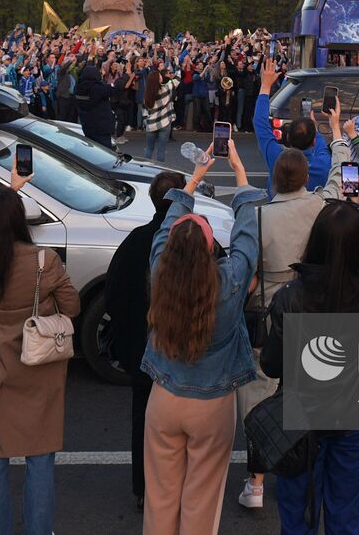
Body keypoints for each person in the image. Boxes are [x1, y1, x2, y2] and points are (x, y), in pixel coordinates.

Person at [141, 144, 262, 535]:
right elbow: (247, 238)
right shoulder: (228, 282)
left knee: (160, 496)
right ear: (211, 248)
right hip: (212, 402)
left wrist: (193, 177)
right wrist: (240, 177)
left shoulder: (161, 272)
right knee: (202, 498)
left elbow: (165, 227)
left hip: (163, 396)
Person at [259, 186, 359, 535]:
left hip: (301, 422)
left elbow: (271, 366)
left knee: (297, 516)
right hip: (353, 417)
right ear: (356, 248)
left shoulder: (290, 297)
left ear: (315, 241)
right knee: (345, 514)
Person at [0, 179, 76, 535]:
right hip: (37, 370)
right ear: (19, 220)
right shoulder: (43, 261)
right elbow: (73, 306)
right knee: (40, 455)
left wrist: (7, 189)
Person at [236, 146, 330, 510]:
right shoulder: (319, 208)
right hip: (310, 308)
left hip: (268, 312)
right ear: (306, 177)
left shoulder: (261, 215)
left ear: (276, 178)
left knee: (260, 393)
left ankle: (256, 481)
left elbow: (246, 268)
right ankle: (297, 466)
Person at [104, 171, 186, 512]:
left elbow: (113, 296)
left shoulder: (135, 240)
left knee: (144, 418)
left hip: (140, 351)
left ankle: (144, 486)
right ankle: (177, 486)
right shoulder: (192, 242)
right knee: (182, 425)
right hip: (182, 354)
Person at [253, 60, 331, 192]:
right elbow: (323, 148)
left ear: (288, 139)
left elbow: (260, 122)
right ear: (314, 142)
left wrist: (265, 86)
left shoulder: (277, 158)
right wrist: (318, 129)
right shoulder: (323, 164)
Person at [142, 60, 178, 163]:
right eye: (160, 76)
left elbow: (144, 112)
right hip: (164, 122)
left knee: (149, 148)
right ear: (157, 80)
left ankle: (145, 169)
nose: (162, 76)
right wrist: (178, 66)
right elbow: (177, 80)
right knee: (161, 150)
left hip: (151, 124)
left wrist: (146, 123)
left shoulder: (146, 94)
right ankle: (159, 170)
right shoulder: (165, 89)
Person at [75, 62, 116, 149]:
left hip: (87, 125)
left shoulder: (78, 88)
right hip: (101, 126)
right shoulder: (97, 88)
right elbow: (113, 90)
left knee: (92, 150)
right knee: (105, 152)